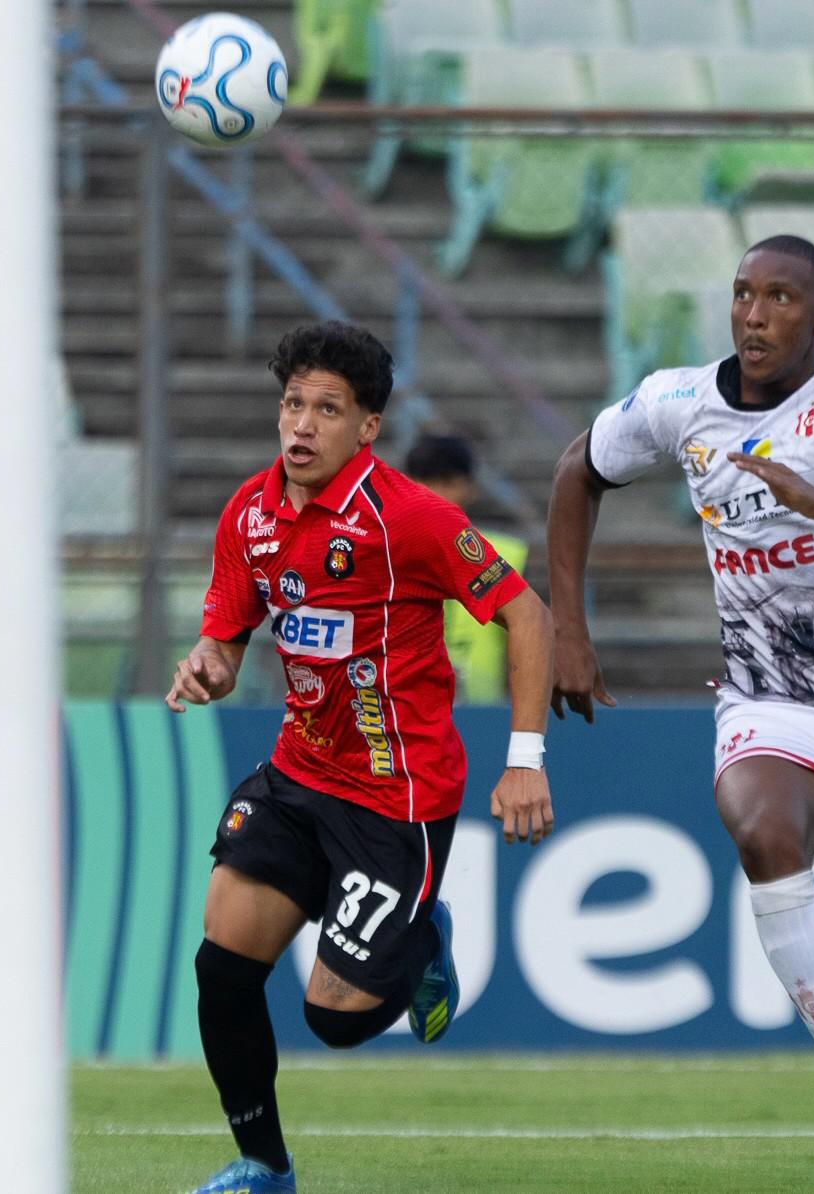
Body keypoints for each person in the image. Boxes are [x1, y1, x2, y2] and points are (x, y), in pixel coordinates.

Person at [547, 235, 814, 1169]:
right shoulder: (676, 402)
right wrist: (567, 631)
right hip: (772, 697)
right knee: (760, 823)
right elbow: (578, 470)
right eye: (743, 293)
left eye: (782, 298)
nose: (754, 313)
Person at [166, 321, 554, 1194]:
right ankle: (264, 1168)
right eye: (293, 405)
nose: (302, 425)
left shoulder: (413, 519)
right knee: (221, 967)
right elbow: (226, 644)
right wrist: (208, 665)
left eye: (327, 409)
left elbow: (527, 616)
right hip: (298, 774)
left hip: (395, 798)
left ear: (366, 427)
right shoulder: (251, 514)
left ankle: (421, 942)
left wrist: (524, 759)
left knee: (333, 1019)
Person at [405, 432, 530, 704]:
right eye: (424, 482)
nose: (435, 494)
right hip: (409, 723)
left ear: (470, 487)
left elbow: (528, 645)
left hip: (486, 719)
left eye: (447, 482)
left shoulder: (507, 556)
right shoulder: (387, 554)